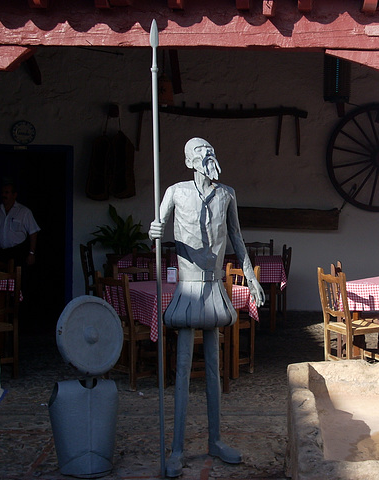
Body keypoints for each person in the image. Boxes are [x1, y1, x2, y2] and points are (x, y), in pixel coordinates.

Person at [149, 137, 264, 478]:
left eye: (210, 149)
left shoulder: (227, 194)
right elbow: (156, 230)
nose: (208, 154)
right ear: (189, 160)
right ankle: (177, 450)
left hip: (214, 289)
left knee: (214, 370)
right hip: (188, 289)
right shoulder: (174, 191)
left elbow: (237, 238)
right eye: (200, 151)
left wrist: (252, 278)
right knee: (183, 370)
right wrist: (153, 231)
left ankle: (215, 440)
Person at [0, 180, 40, 269]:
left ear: (14, 195)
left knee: (18, 280)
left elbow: (33, 233)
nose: (3, 195)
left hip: (17, 253)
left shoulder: (24, 212)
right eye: (2, 192)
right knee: (0, 280)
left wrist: (31, 253)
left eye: (7, 192)